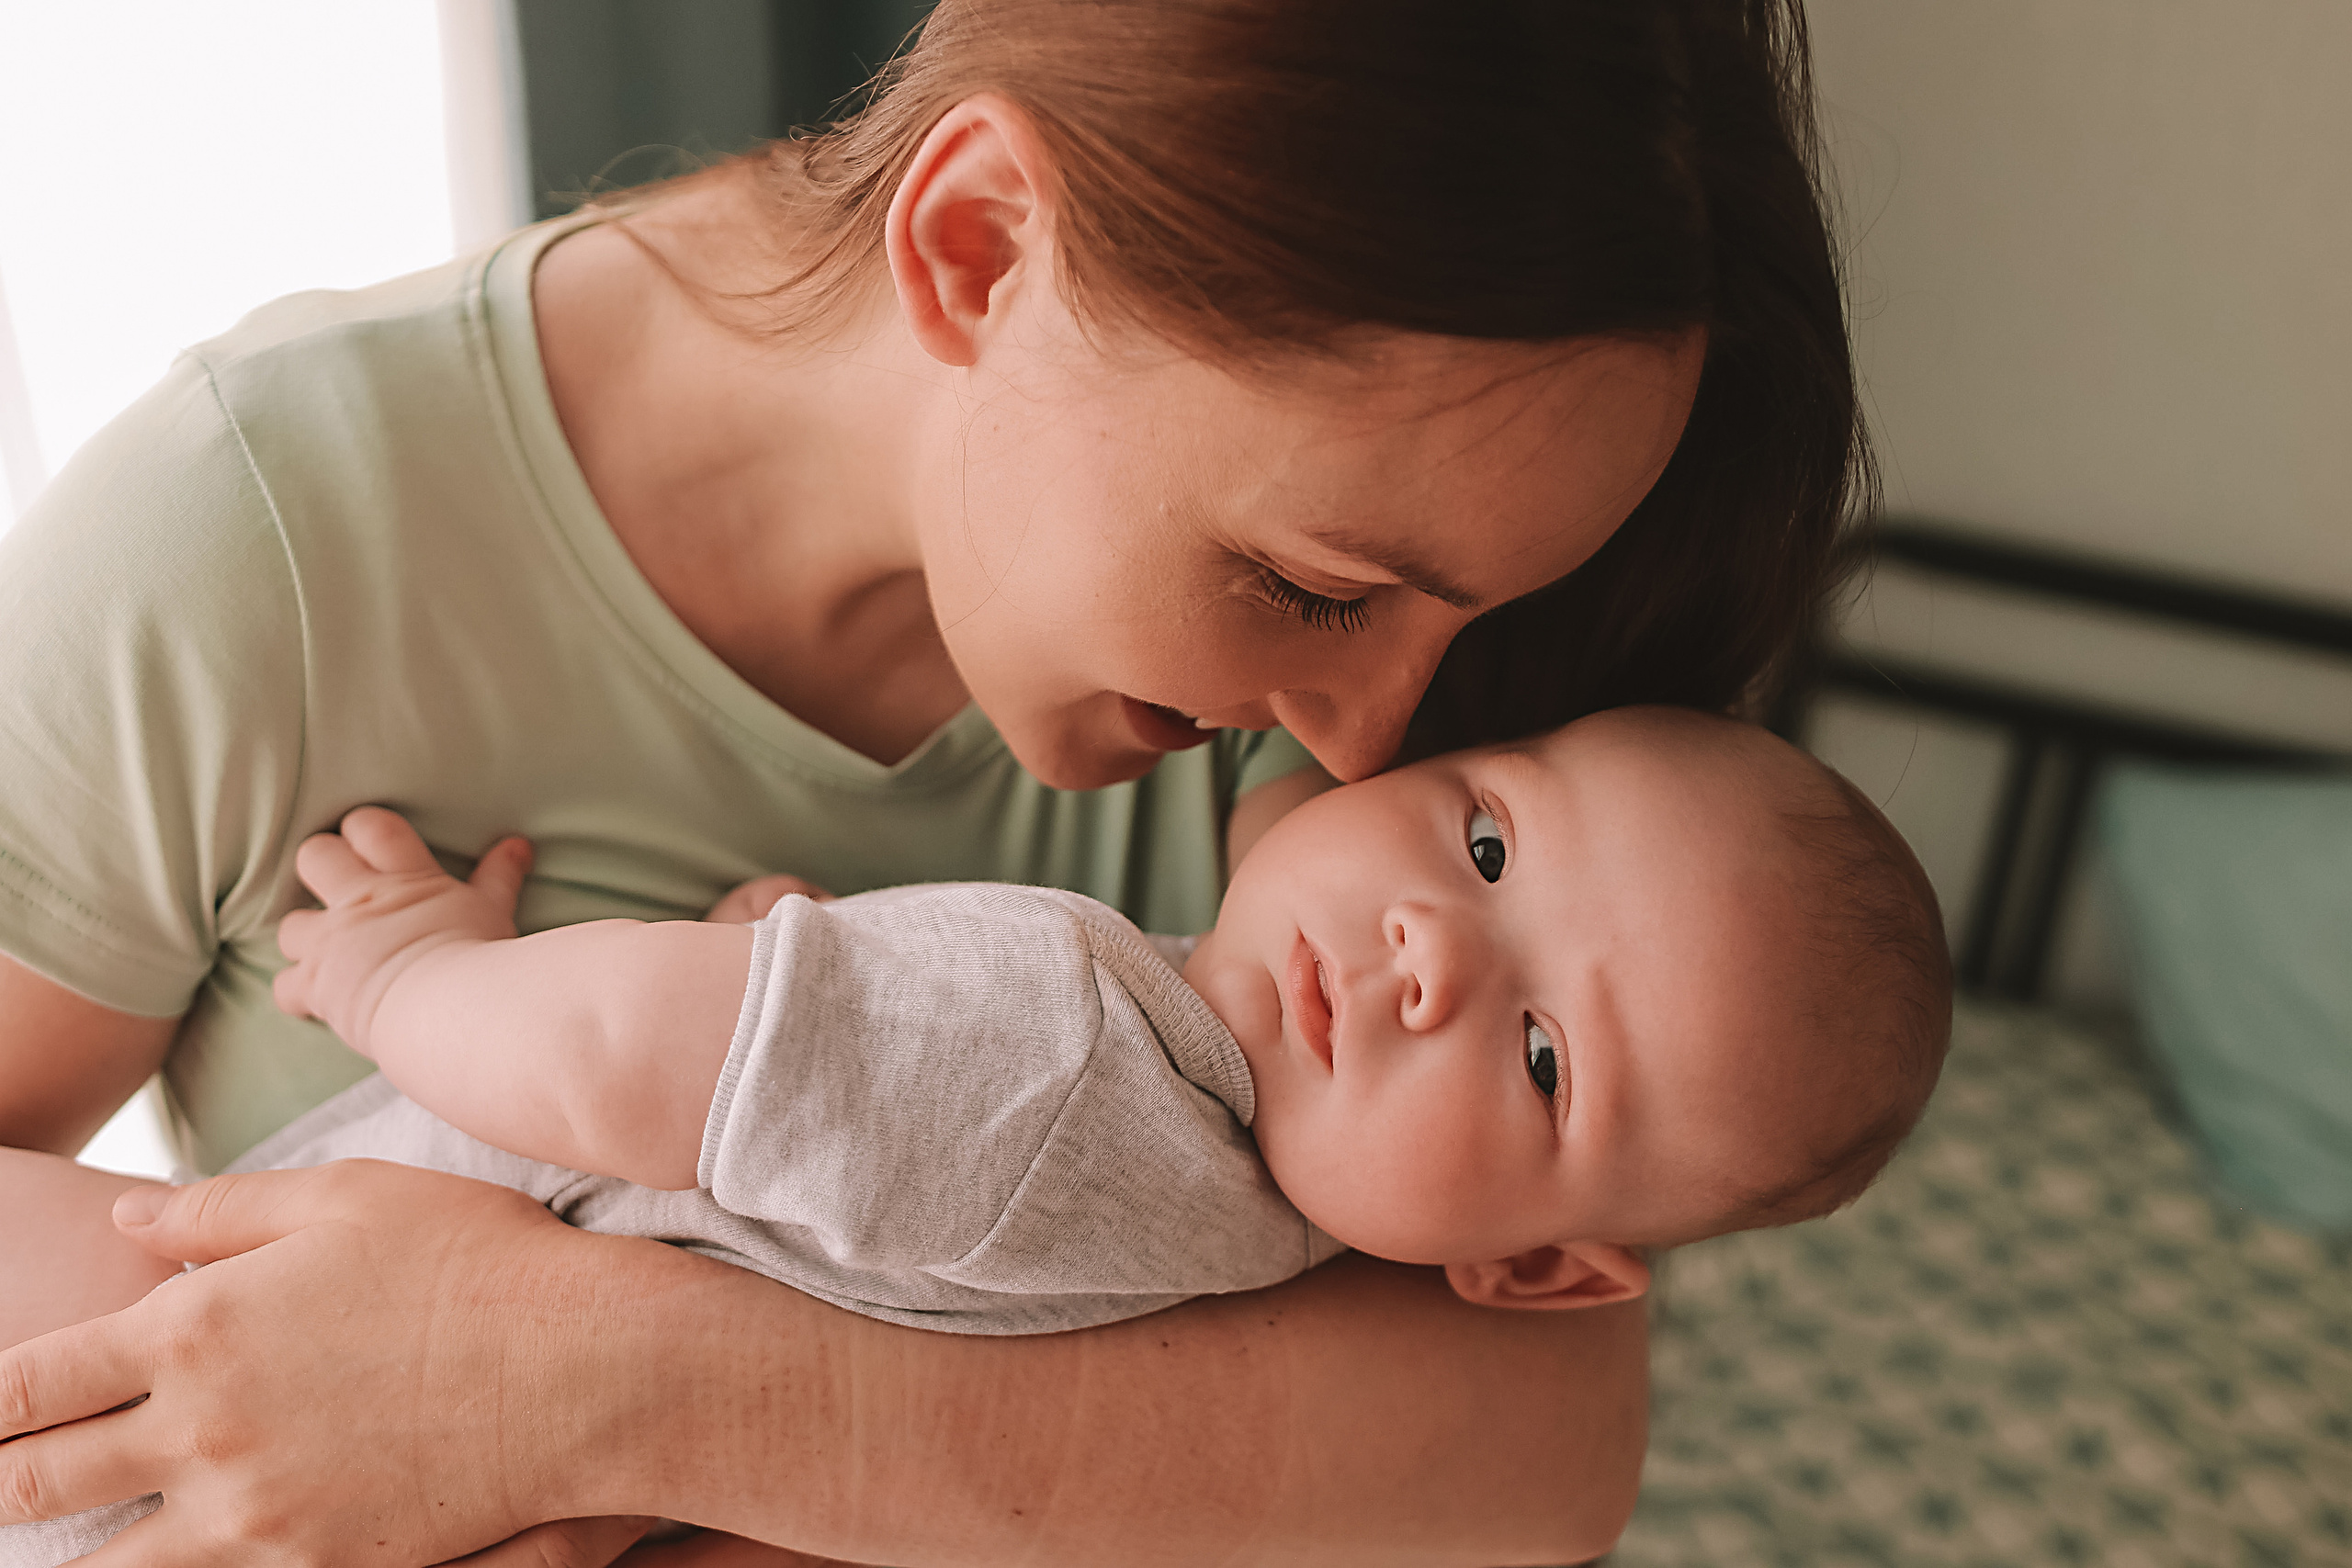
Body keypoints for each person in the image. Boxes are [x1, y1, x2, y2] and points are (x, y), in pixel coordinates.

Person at [0, 2, 1869, 1562]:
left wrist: (562, 1386)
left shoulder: (1430, 765)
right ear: (977, 246)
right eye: (1309, 582)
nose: (1370, 735)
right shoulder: (250, 543)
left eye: (1462, 633)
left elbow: (1531, 1442)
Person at [3, 708, 1951, 1564]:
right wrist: (795, 968)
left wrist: (408, 970)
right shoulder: (1222, 1252)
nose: (1433, 949)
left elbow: (603, 1057)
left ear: (1534, 1268)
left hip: (206, 1361)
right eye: (1489, 840)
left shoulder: (1067, 1029)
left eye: (1539, 1056)